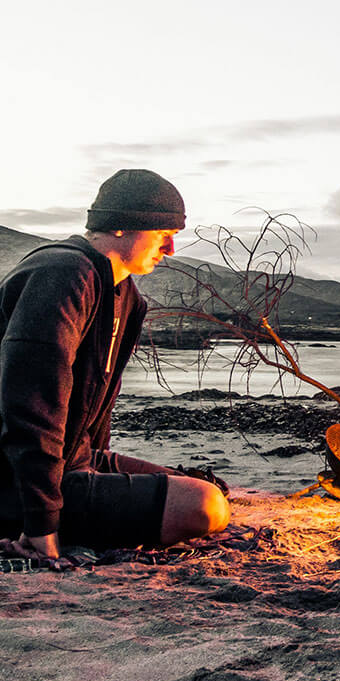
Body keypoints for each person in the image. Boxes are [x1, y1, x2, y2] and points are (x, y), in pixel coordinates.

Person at [0, 169, 230, 569]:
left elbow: (94, 408)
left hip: (74, 461)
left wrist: (95, 467)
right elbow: (31, 405)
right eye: (162, 233)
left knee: (206, 489)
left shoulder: (125, 294)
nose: (172, 248)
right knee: (203, 506)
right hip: (16, 478)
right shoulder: (61, 274)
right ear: (123, 225)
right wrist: (42, 525)